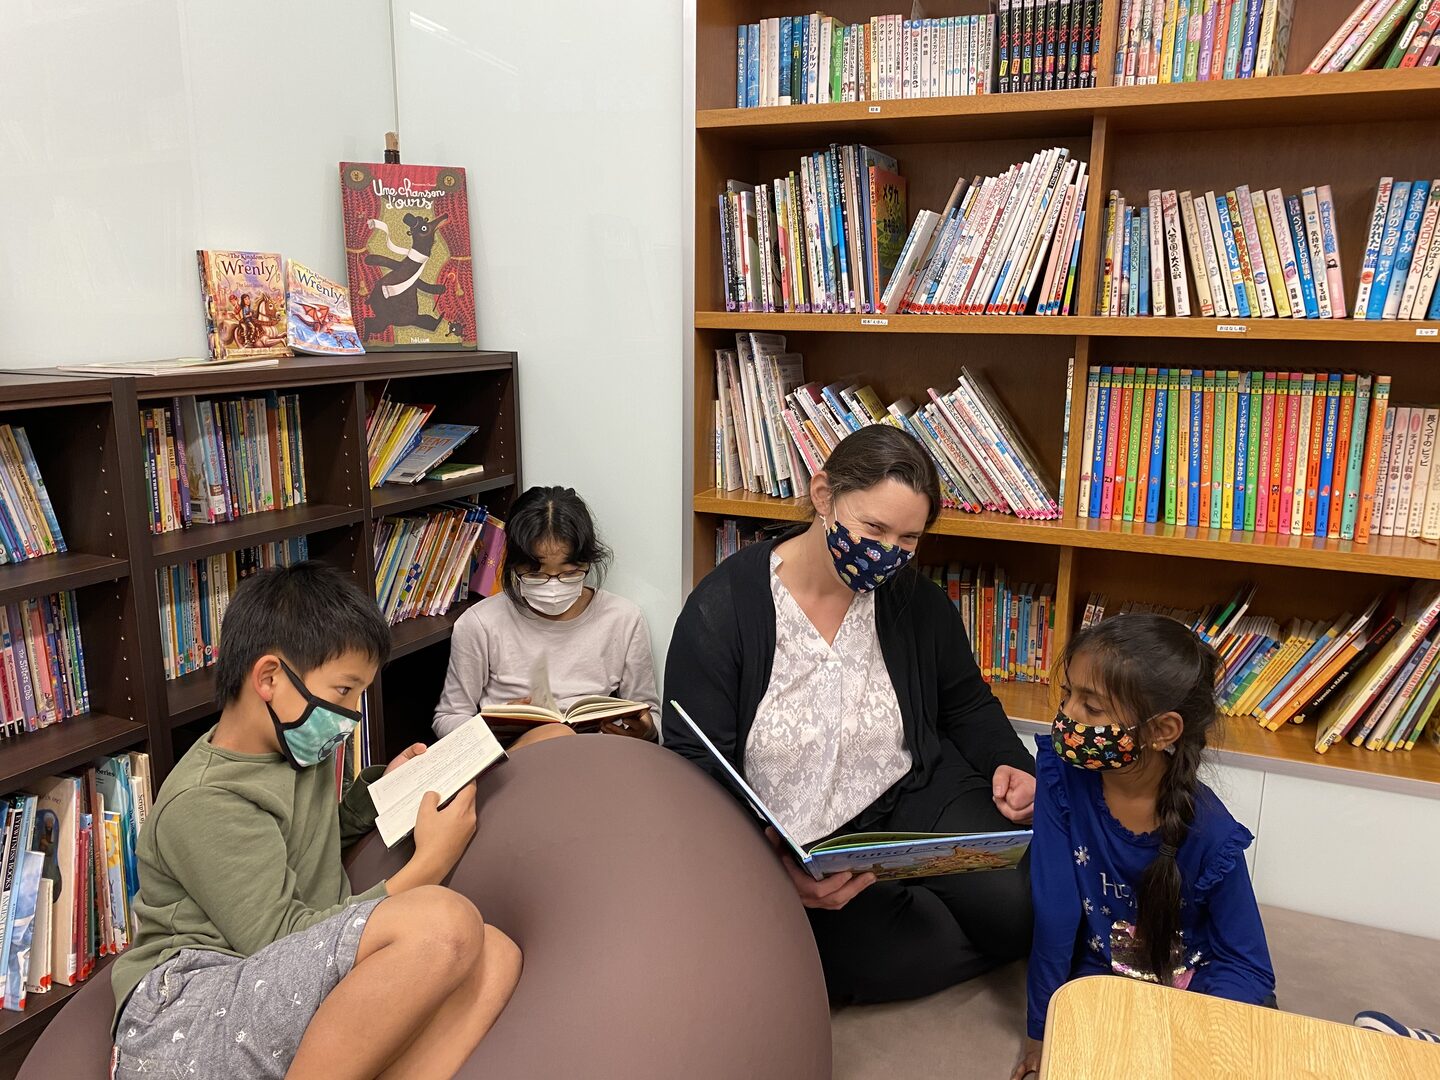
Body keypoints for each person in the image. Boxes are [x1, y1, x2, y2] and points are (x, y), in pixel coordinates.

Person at [662, 425, 1037, 1005]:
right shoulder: (723, 609)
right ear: (823, 495)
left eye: (909, 538)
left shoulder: (913, 598)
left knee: (1021, 907)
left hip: (910, 789)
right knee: (850, 960)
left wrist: (1009, 762)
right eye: (874, 528)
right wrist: (769, 866)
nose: (889, 552)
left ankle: (944, 919)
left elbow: (965, 701)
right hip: (801, 837)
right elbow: (693, 762)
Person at [111, 562, 520, 1080]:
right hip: (188, 1008)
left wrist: (381, 793)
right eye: (344, 691)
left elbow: (306, 840)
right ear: (269, 679)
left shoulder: (297, 746)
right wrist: (430, 864)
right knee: (444, 921)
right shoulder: (204, 800)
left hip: (270, 977)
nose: (352, 713)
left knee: (497, 954)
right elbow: (279, 938)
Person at [1013, 614, 1275, 1080]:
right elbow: (1055, 912)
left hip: (1197, 985)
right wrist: (1040, 1029)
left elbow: (1247, 966)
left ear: (1162, 731)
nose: (1067, 716)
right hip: (1103, 978)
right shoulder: (1058, 774)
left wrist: (1190, 1034)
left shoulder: (1211, 831)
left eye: (1092, 708)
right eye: (1067, 695)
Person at [433, 485, 660, 742]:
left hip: (595, 753)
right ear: (513, 566)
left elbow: (650, 714)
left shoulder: (624, 619)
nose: (553, 585)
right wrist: (487, 729)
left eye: (569, 573)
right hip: (516, 756)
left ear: (588, 562)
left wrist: (648, 730)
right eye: (535, 574)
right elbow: (449, 716)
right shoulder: (480, 623)